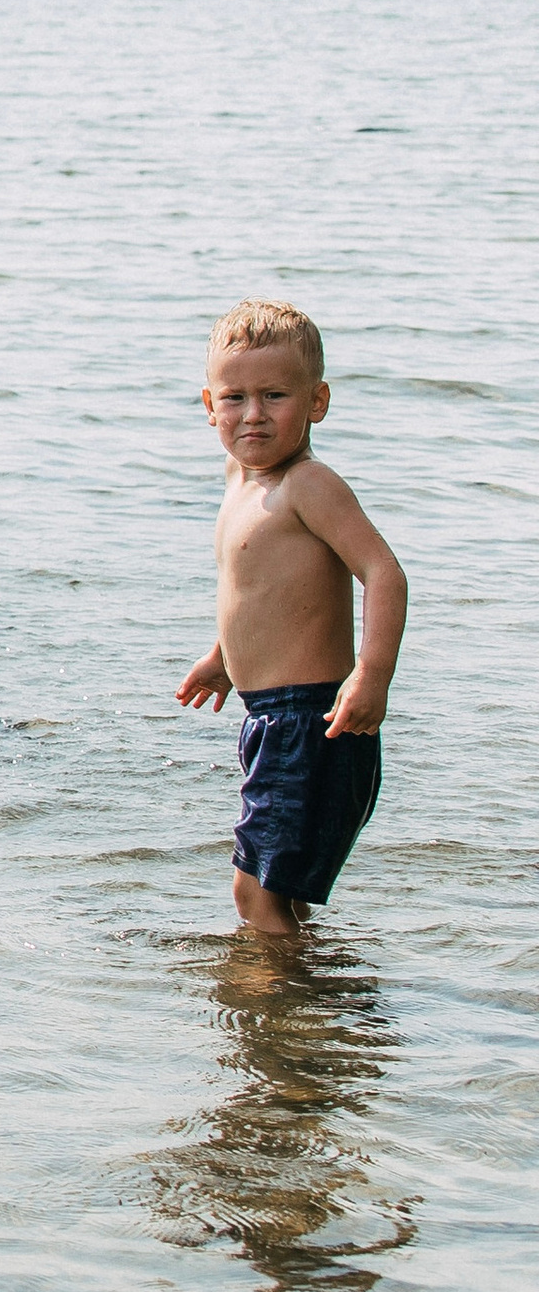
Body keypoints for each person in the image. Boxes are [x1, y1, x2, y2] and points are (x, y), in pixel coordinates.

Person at [177, 299, 407, 937]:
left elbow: (384, 573)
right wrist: (224, 657)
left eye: (275, 395)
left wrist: (372, 676)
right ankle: (306, 1007)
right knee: (274, 887)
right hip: (270, 718)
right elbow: (254, 591)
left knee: (258, 895)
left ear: (316, 402)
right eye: (235, 398)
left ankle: (275, 1024)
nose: (253, 414)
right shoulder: (239, 479)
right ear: (209, 404)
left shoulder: (309, 486)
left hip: (314, 721)